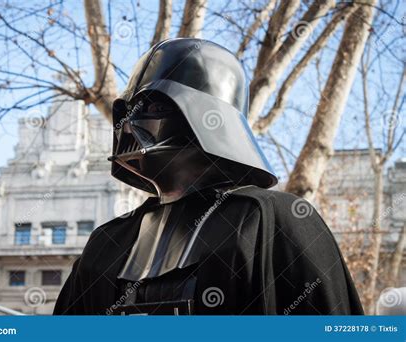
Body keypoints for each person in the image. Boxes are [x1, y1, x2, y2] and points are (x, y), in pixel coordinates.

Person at [54, 38, 363, 315]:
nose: (131, 123)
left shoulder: (271, 221)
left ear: (209, 118)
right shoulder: (107, 243)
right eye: (130, 110)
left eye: (155, 104)